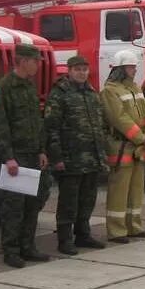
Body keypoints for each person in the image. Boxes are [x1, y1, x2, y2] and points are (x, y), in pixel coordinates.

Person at [0, 43, 52, 268]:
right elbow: (1, 125)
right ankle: (11, 251)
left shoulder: (28, 86)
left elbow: (36, 122)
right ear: (23, 61)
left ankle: (28, 247)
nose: (38, 65)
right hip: (15, 156)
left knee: (32, 203)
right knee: (13, 206)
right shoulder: (6, 87)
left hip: (32, 154)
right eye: (35, 61)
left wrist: (41, 150)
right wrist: (8, 156)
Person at [45, 55, 109, 255]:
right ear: (69, 71)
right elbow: (51, 128)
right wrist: (57, 158)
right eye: (77, 69)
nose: (82, 73)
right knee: (68, 202)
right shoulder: (60, 94)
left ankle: (83, 234)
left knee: (88, 198)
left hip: (91, 157)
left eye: (84, 69)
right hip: (70, 159)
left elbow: (99, 125)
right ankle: (64, 240)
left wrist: (102, 155)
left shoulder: (91, 93)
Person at [101, 50, 145, 243]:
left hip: (139, 147)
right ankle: (117, 231)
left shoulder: (136, 88)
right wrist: (142, 138)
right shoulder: (110, 91)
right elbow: (119, 119)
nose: (134, 70)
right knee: (119, 191)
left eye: (134, 67)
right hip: (122, 147)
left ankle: (134, 226)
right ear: (120, 69)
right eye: (131, 67)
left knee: (136, 189)